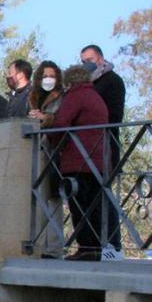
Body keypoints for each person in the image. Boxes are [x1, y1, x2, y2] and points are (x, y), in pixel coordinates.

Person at [51, 64, 110, 261]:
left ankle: (85, 247)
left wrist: (54, 144)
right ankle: (95, 248)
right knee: (93, 206)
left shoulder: (75, 96)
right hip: (97, 160)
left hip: (77, 159)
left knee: (79, 206)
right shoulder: (96, 97)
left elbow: (61, 123)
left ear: (70, 81)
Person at [80, 44, 125, 259]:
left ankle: (112, 247)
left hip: (105, 146)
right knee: (86, 197)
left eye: (89, 59)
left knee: (104, 197)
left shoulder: (112, 81)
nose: (86, 64)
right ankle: (90, 247)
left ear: (100, 58)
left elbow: (115, 115)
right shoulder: (84, 85)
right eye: (82, 61)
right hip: (85, 148)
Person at [27, 61, 65, 259]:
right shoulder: (32, 97)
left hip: (54, 150)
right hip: (34, 150)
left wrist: (45, 117)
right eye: (45, 76)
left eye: (52, 75)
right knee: (35, 199)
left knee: (53, 198)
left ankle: (54, 247)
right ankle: (36, 245)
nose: (48, 79)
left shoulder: (62, 97)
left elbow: (62, 119)